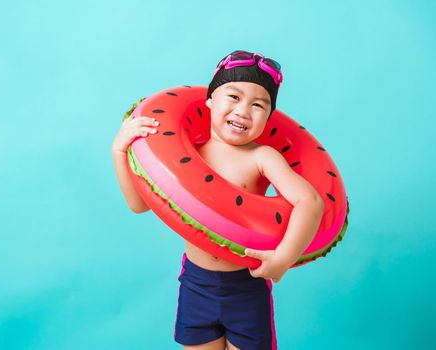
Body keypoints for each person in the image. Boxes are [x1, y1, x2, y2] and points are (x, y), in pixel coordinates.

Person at [112, 50, 324, 350]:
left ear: (269, 116)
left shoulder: (263, 157)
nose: (243, 111)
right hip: (196, 285)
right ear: (209, 100)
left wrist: (283, 259)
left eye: (258, 104)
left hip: (246, 287)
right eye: (234, 97)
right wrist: (119, 152)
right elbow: (140, 204)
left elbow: (310, 202)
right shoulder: (187, 152)